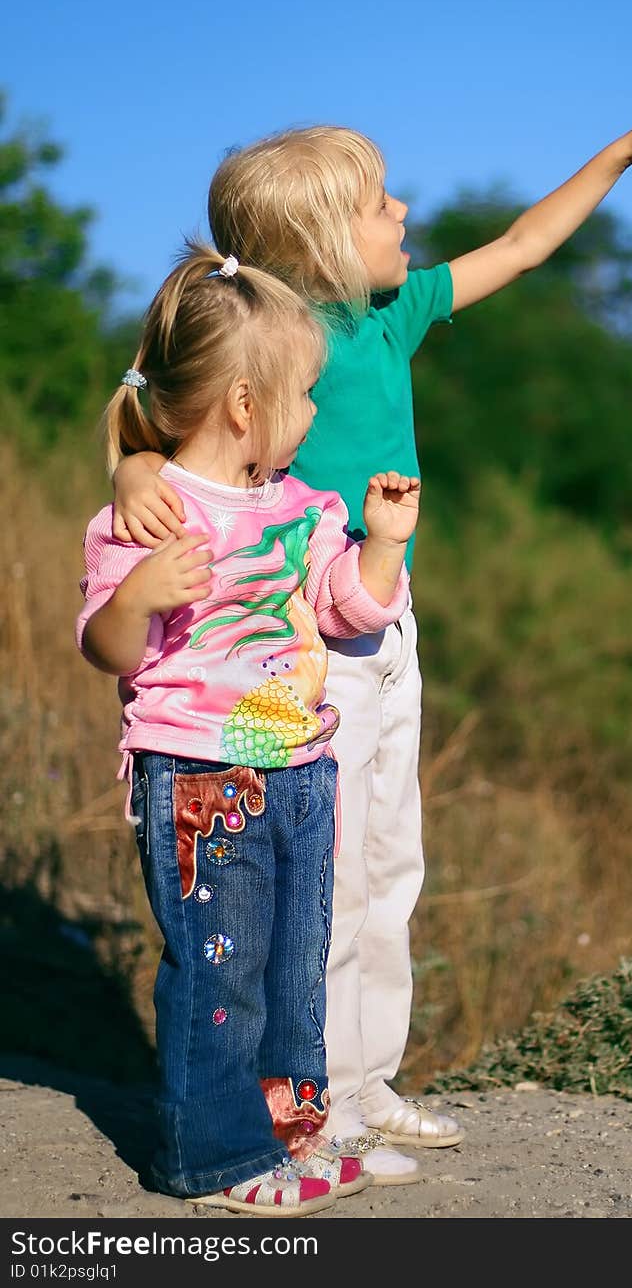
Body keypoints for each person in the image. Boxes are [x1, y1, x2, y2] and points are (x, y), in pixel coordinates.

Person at [111, 68, 632, 1182]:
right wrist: (141, 461)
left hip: (389, 628)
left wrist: (619, 157)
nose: (404, 213)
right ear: (326, 241)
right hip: (299, 652)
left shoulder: (392, 313)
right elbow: (156, 406)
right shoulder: (270, 341)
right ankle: (306, 1111)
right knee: (316, 884)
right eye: (380, 201)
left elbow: (523, 246)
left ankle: (366, 1083)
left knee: (389, 868)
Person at [77, 243, 421, 1212]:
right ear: (242, 405)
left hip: (301, 771)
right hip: (197, 776)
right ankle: (214, 1158)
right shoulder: (147, 515)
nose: (314, 413)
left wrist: (383, 549)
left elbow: (347, 609)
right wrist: (139, 595)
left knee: (292, 973)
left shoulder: (305, 507)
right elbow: (106, 647)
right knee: (220, 977)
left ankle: (288, 1137)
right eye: (304, 394)